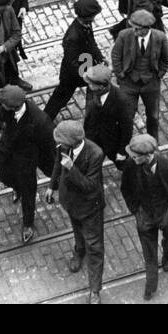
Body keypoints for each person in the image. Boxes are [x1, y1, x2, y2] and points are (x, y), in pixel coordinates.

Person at [119, 134, 168, 300]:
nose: (132, 158)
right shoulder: (131, 164)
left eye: (136, 156)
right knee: (149, 254)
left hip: (166, 212)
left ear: (148, 155)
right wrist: (135, 210)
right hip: (145, 214)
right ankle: (150, 286)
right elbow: (125, 188)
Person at [44, 119, 106, 303]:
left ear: (74, 141)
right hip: (70, 201)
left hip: (89, 207)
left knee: (94, 246)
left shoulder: (95, 154)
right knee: (77, 230)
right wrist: (51, 185)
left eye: (61, 140)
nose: (58, 144)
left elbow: (91, 186)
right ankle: (79, 251)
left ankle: (95, 289)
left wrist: (72, 168)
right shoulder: (63, 147)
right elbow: (57, 164)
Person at [0, 85, 55, 243]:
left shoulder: (40, 121)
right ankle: (16, 188)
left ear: (14, 106)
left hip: (27, 160)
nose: (2, 106)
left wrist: (47, 168)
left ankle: (28, 224)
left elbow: (48, 146)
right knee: (6, 177)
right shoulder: (6, 110)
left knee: (28, 192)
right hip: (7, 153)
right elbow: (6, 126)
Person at [111, 9, 168, 138]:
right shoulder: (124, 35)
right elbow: (115, 56)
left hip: (150, 83)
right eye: (133, 28)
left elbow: (165, 60)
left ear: (146, 29)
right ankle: (125, 143)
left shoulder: (160, 37)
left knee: (153, 116)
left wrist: (159, 75)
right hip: (129, 83)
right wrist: (120, 75)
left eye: (137, 29)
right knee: (126, 116)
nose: (134, 31)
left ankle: (153, 142)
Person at [43, 0, 103, 121]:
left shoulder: (86, 24)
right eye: (92, 16)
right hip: (72, 75)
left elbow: (91, 42)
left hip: (86, 65)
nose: (93, 19)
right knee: (60, 98)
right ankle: (45, 120)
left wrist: (99, 57)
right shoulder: (72, 36)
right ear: (85, 16)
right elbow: (72, 62)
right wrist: (85, 75)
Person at [82, 64, 133, 169]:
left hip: (112, 142)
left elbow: (127, 127)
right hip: (93, 138)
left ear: (101, 86)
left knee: (124, 166)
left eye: (91, 84)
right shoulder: (92, 90)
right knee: (91, 168)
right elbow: (89, 112)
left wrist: (122, 151)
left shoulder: (121, 100)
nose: (89, 85)